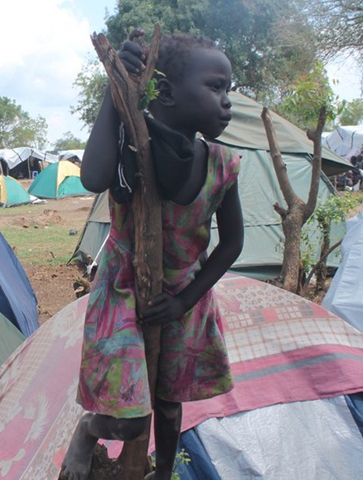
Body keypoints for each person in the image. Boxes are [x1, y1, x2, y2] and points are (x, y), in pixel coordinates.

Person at [60, 33, 244, 480]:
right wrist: (115, 88)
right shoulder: (130, 141)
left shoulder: (222, 163)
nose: (226, 102)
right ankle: (89, 431)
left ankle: (161, 475)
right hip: (123, 294)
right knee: (130, 416)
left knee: (168, 404)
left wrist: (185, 300)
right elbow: (92, 177)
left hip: (183, 298)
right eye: (215, 87)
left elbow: (233, 243)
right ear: (166, 92)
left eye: (228, 90)